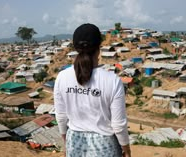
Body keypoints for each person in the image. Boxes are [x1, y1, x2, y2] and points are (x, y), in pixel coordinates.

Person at [54, 23, 131, 157]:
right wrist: (126, 149)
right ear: (99, 47)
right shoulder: (112, 80)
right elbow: (118, 125)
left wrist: (66, 141)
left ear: (75, 47)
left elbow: (61, 117)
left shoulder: (62, 77)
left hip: (74, 143)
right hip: (105, 146)